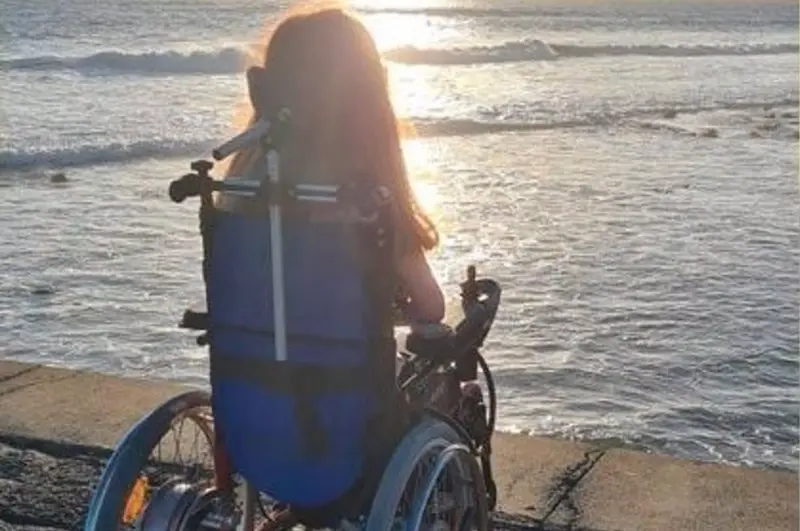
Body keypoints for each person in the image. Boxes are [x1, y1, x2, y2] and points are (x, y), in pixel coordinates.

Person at [222, 4, 445, 324]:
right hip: (339, 353)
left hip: (247, 353)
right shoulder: (367, 199)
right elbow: (430, 305)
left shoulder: (243, 183)